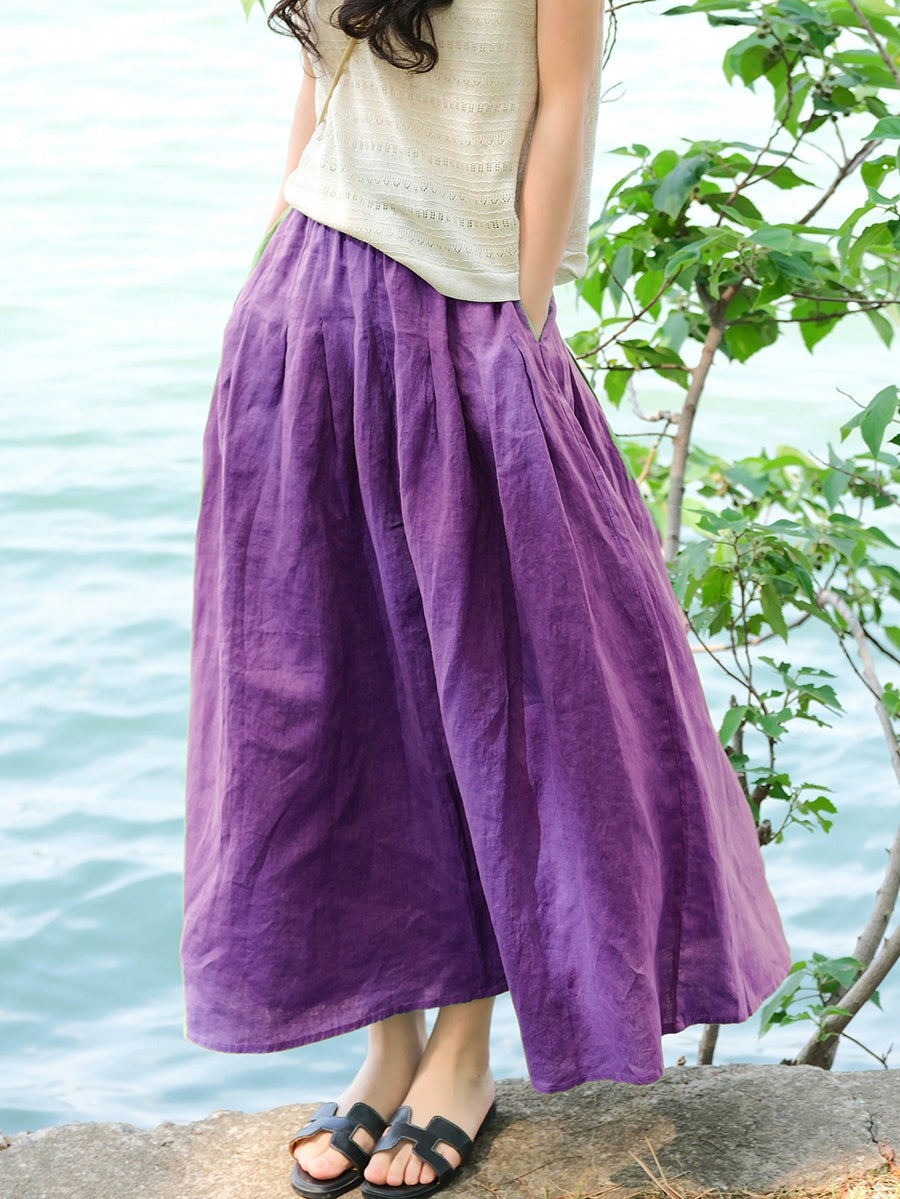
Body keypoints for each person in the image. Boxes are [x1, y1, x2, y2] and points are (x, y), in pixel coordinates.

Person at [180, 0, 792, 1195]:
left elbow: (563, 106)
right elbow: (320, 88)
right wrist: (264, 282)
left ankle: (461, 1051)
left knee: (491, 697)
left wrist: (521, 316)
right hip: (304, 320)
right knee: (334, 699)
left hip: (463, 324)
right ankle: (387, 1044)